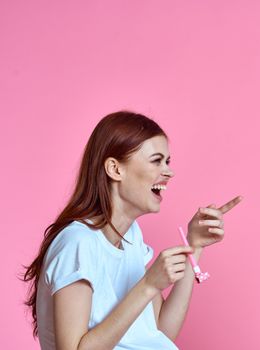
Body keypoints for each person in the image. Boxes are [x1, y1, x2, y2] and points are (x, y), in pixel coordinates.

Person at [23, 111, 242, 349]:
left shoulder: (130, 237)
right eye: (156, 160)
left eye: (167, 161)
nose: (169, 172)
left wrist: (194, 246)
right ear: (115, 169)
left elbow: (161, 333)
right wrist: (148, 284)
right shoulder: (78, 242)